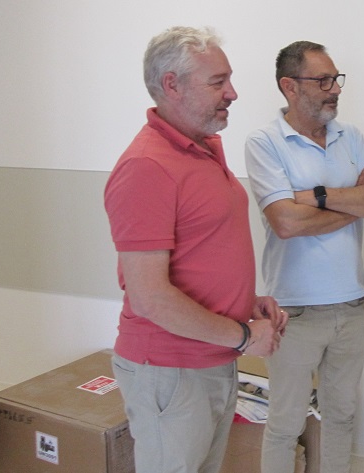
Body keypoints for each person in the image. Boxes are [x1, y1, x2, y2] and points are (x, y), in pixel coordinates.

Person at [104, 26, 288, 473]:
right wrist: (244, 336)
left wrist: (243, 302)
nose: (233, 93)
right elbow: (150, 298)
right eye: (217, 82)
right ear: (172, 85)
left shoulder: (202, 149)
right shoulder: (147, 166)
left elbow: (202, 251)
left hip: (211, 355)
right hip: (171, 369)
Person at [245, 40, 364, 473]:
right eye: (324, 81)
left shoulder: (352, 137)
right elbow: (285, 223)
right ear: (290, 87)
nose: (336, 89)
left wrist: (316, 196)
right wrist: (355, 203)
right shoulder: (264, 142)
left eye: (336, 79)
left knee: (341, 416)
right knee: (285, 424)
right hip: (294, 312)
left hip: (352, 306)